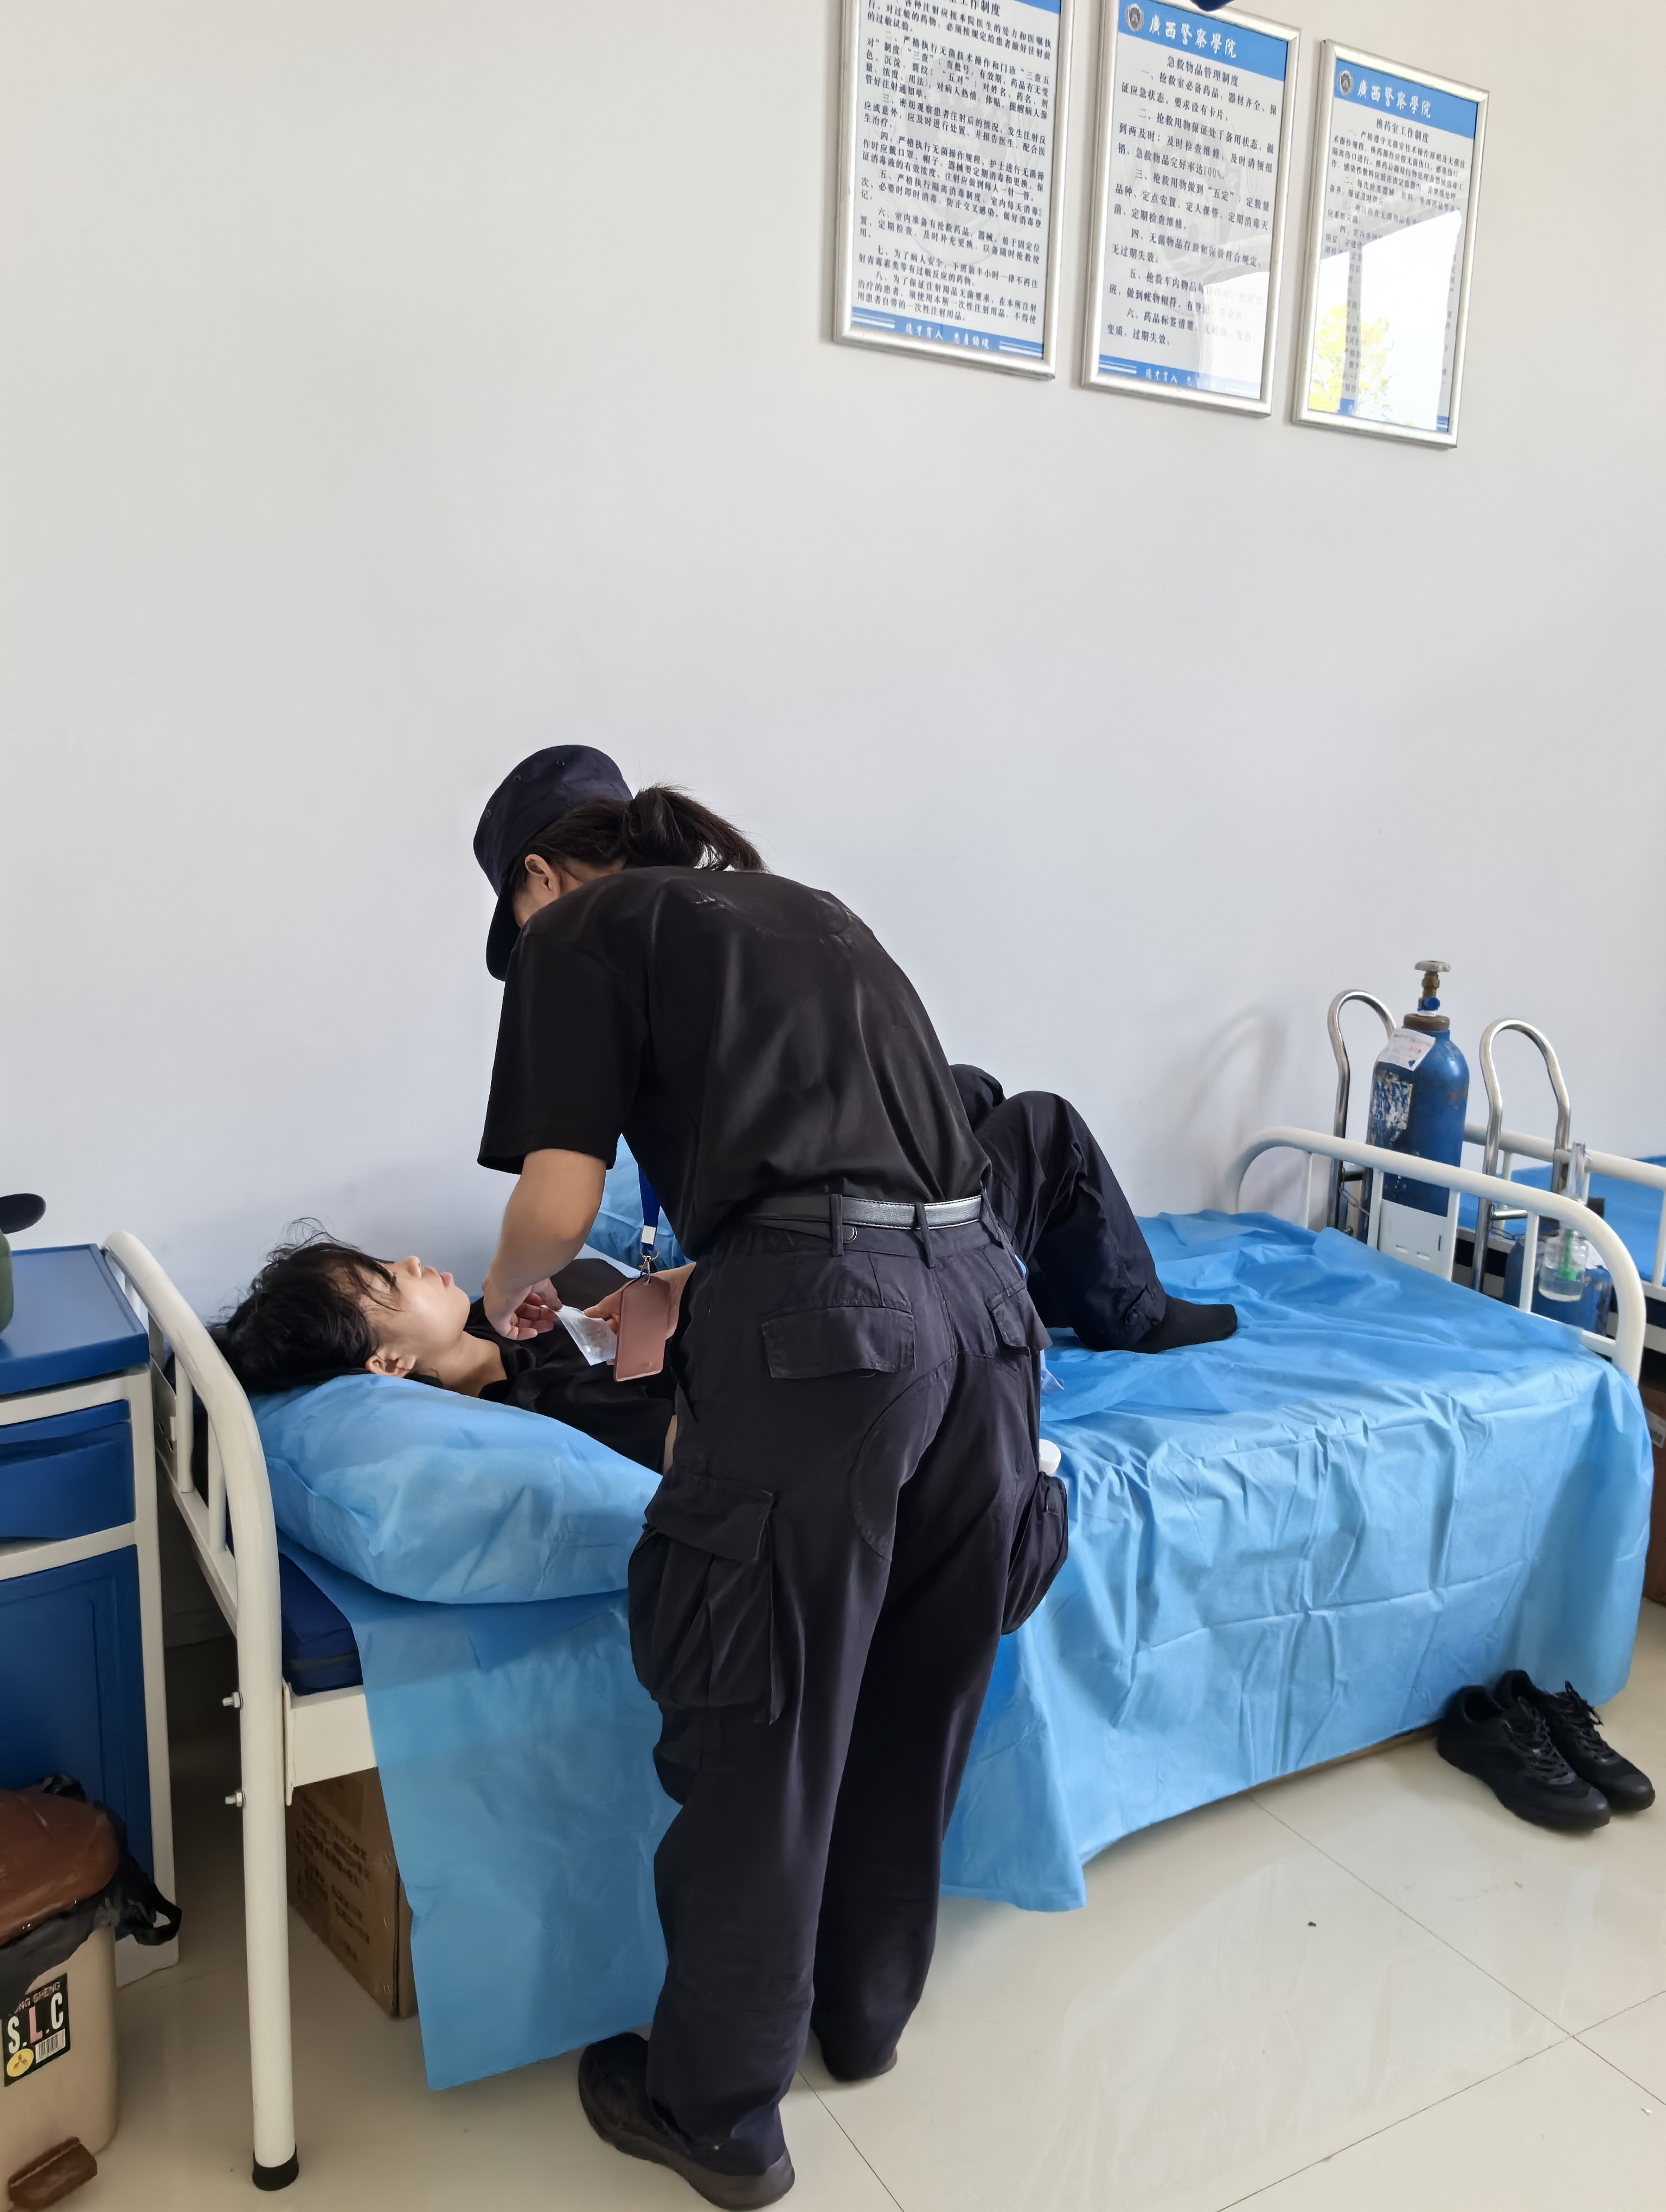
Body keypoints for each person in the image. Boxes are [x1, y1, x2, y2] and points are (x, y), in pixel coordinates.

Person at [471, 747, 1066, 2209]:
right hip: (988, 1310)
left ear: (538, 876)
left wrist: (505, 1300)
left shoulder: (577, 932)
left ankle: (718, 2111)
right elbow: (872, 1194)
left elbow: (557, 1199)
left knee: (762, 1708)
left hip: (831, 1340)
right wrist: (694, 1288)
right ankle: (862, 2017)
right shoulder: (801, 906)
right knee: (922, 1683)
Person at [211, 1234, 678, 1472]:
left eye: (384, 1263)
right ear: (390, 1363)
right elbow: (701, 1453)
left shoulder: (499, 1311)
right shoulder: (552, 1408)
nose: (411, 1262)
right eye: (389, 1281)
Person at [949, 1066, 1236, 1353]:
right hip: (942, 1285)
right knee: (1049, 1121)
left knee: (965, 1088)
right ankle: (1134, 1317)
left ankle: (1043, 1291)